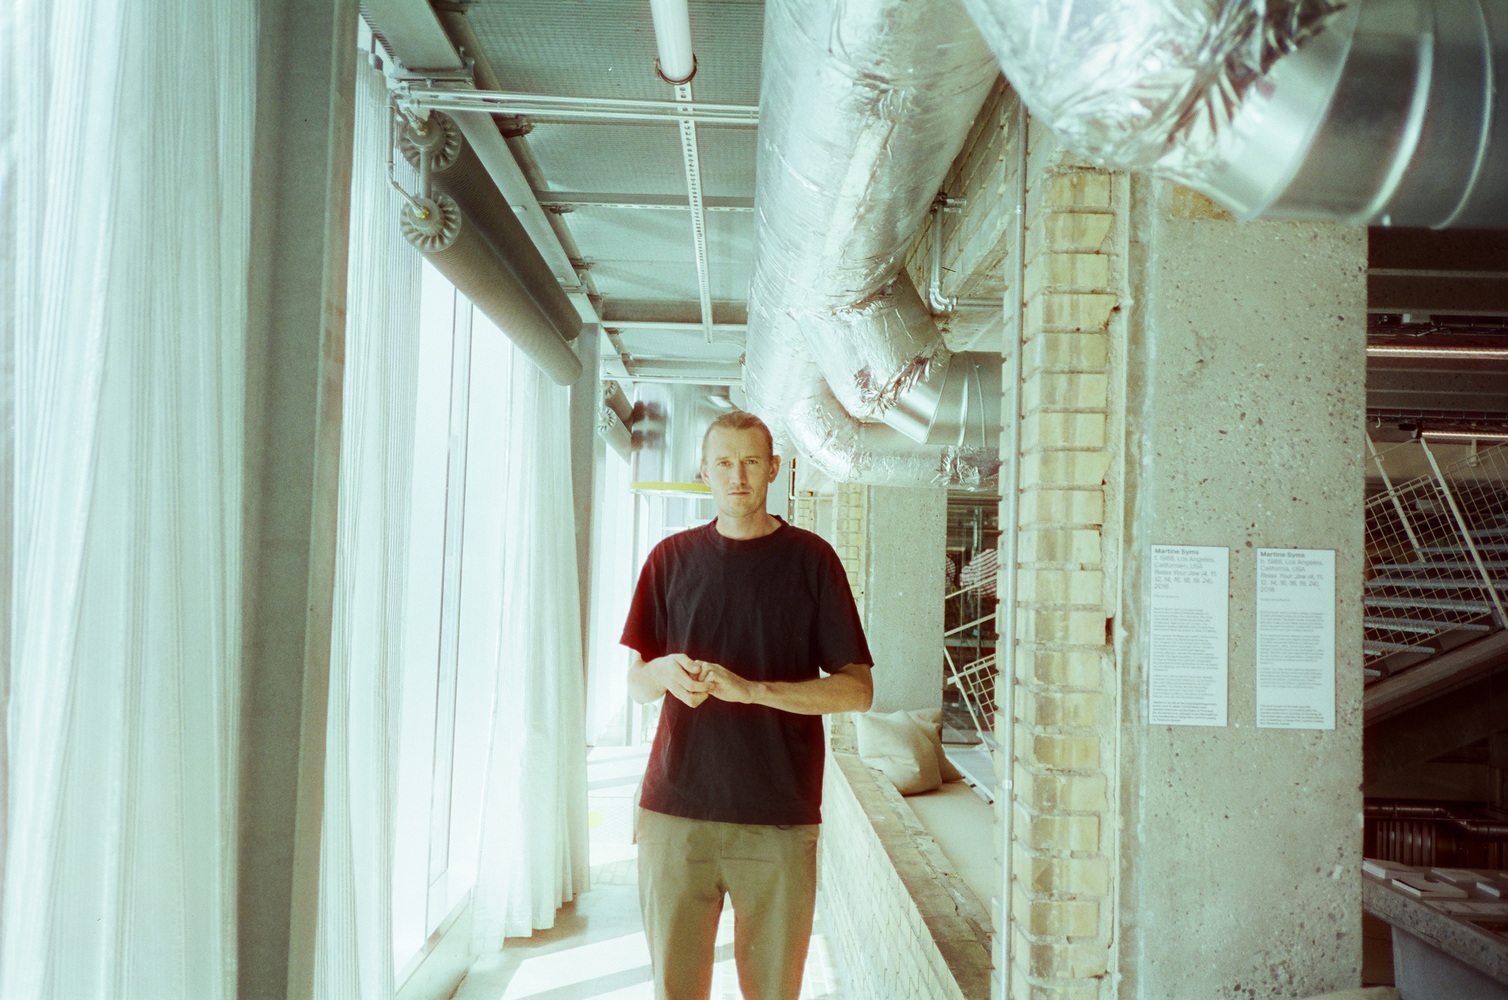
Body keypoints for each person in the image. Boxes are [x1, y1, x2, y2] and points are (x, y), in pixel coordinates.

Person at [621, 410, 874, 1000]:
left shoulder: (813, 560)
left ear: (774, 469)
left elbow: (857, 690)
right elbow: (636, 683)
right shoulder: (668, 559)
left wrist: (755, 690)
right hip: (675, 812)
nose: (738, 476)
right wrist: (663, 672)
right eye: (725, 463)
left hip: (778, 816)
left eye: (751, 462)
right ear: (703, 470)